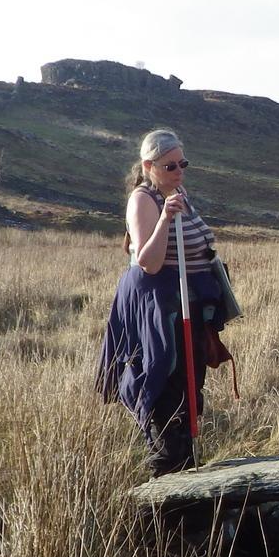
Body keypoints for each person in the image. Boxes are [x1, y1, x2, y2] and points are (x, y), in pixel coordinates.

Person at [94, 128, 225, 474]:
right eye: (170, 166)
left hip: (187, 302)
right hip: (158, 308)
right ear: (149, 165)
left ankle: (186, 465)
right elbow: (149, 262)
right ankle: (166, 475)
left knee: (189, 383)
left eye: (183, 163)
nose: (179, 171)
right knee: (164, 380)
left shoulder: (177, 191)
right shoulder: (143, 199)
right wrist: (166, 217)